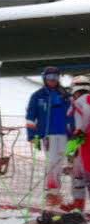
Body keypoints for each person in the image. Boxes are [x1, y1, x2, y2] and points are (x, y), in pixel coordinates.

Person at [26, 66, 73, 208]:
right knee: (52, 163)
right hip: (48, 135)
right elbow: (30, 118)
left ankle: (55, 191)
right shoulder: (38, 96)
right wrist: (32, 136)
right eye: (49, 77)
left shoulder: (65, 94)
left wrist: (74, 132)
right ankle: (52, 193)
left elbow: (72, 114)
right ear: (44, 78)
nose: (52, 80)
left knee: (59, 163)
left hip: (64, 134)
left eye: (55, 77)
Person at [64, 75, 90, 212]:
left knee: (82, 174)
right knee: (78, 174)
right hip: (84, 143)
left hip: (85, 144)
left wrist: (70, 151)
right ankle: (77, 205)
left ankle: (78, 205)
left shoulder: (79, 103)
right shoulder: (87, 100)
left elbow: (79, 130)